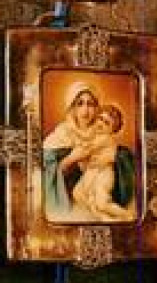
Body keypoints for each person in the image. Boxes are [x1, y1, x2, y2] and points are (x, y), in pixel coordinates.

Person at [41, 84, 137, 223]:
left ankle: (123, 215)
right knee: (79, 195)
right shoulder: (62, 133)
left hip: (100, 178)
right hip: (72, 198)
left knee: (101, 200)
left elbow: (125, 157)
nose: (85, 110)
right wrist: (70, 159)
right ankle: (100, 215)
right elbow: (44, 167)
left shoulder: (101, 132)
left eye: (90, 104)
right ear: (72, 107)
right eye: (79, 104)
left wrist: (113, 157)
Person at [69, 105, 137, 221]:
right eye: (100, 118)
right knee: (78, 193)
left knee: (101, 202)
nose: (101, 123)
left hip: (103, 175)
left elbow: (90, 147)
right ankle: (103, 218)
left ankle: (126, 215)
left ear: (112, 129)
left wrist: (80, 141)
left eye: (106, 122)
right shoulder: (96, 135)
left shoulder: (106, 138)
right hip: (92, 172)